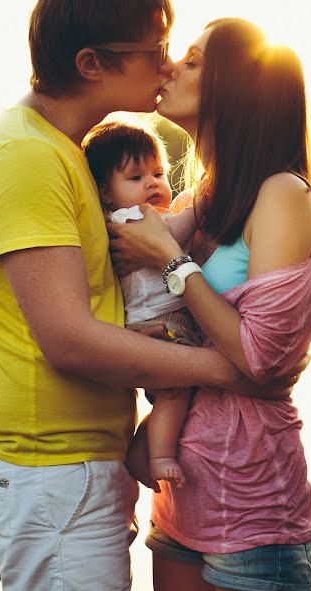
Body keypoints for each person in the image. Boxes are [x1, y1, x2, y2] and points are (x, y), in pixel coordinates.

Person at [0, 2, 306, 591]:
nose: (167, 66)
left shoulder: (70, 153)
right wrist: (236, 369)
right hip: (52, 473)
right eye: (157, 49)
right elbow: (69, 339)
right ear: (92, 63)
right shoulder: (27, 158)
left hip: (83, 471)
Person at [108, 17, 311, 591]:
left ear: (235, 88)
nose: (169, 68)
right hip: (182, 500)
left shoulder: (282, 195)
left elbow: (261, 358)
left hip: (254, 504)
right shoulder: (195, 202)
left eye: (190, 61)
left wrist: (171, 260)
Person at [83, 120, 200, 486]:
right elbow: (173, 234)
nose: (152, 183)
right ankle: (159, 455)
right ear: (106, 192)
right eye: (135, 178)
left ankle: (140, 450)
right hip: (158, 324)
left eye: (158, 172)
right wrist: (200, 208)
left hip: (163, 318)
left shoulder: (141, 217)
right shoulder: (129, 220)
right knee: (175, 390)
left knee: (177, 393)